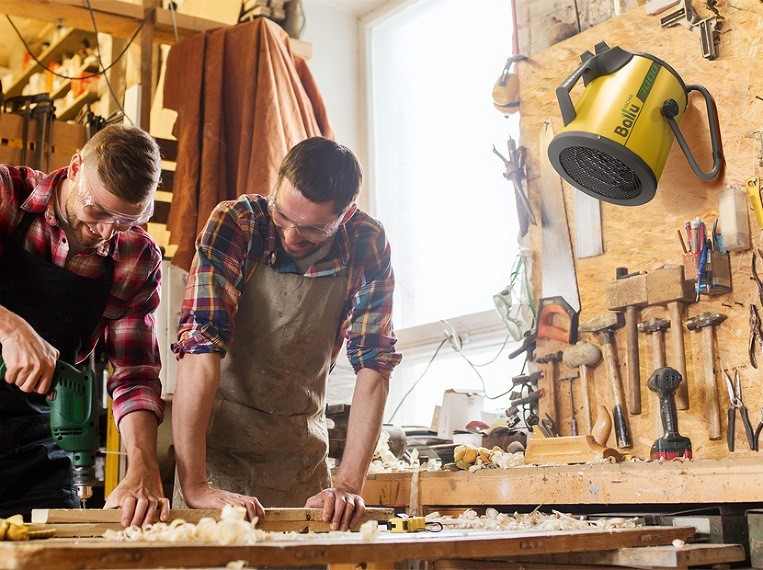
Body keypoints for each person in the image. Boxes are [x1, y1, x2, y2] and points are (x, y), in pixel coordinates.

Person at [172, 137, 401, 530]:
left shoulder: (367, 243)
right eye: (283, 216)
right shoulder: (236, 224)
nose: (292, 237)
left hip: (301, 458)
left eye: (313, 229)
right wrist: (195, 486)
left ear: (344, 216)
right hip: (216, 456)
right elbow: (199, 350)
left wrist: (347, 485)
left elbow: (374, 367)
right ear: (275, 185)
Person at [0, 124, 169, 527]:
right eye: (97, 211)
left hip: (33, 443)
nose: (106, 232)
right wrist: (8, 326)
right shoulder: (7, 194)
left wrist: (142, 466)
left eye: (127, 220)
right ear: (75, 167)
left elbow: (135, 372)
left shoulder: (136, 258)